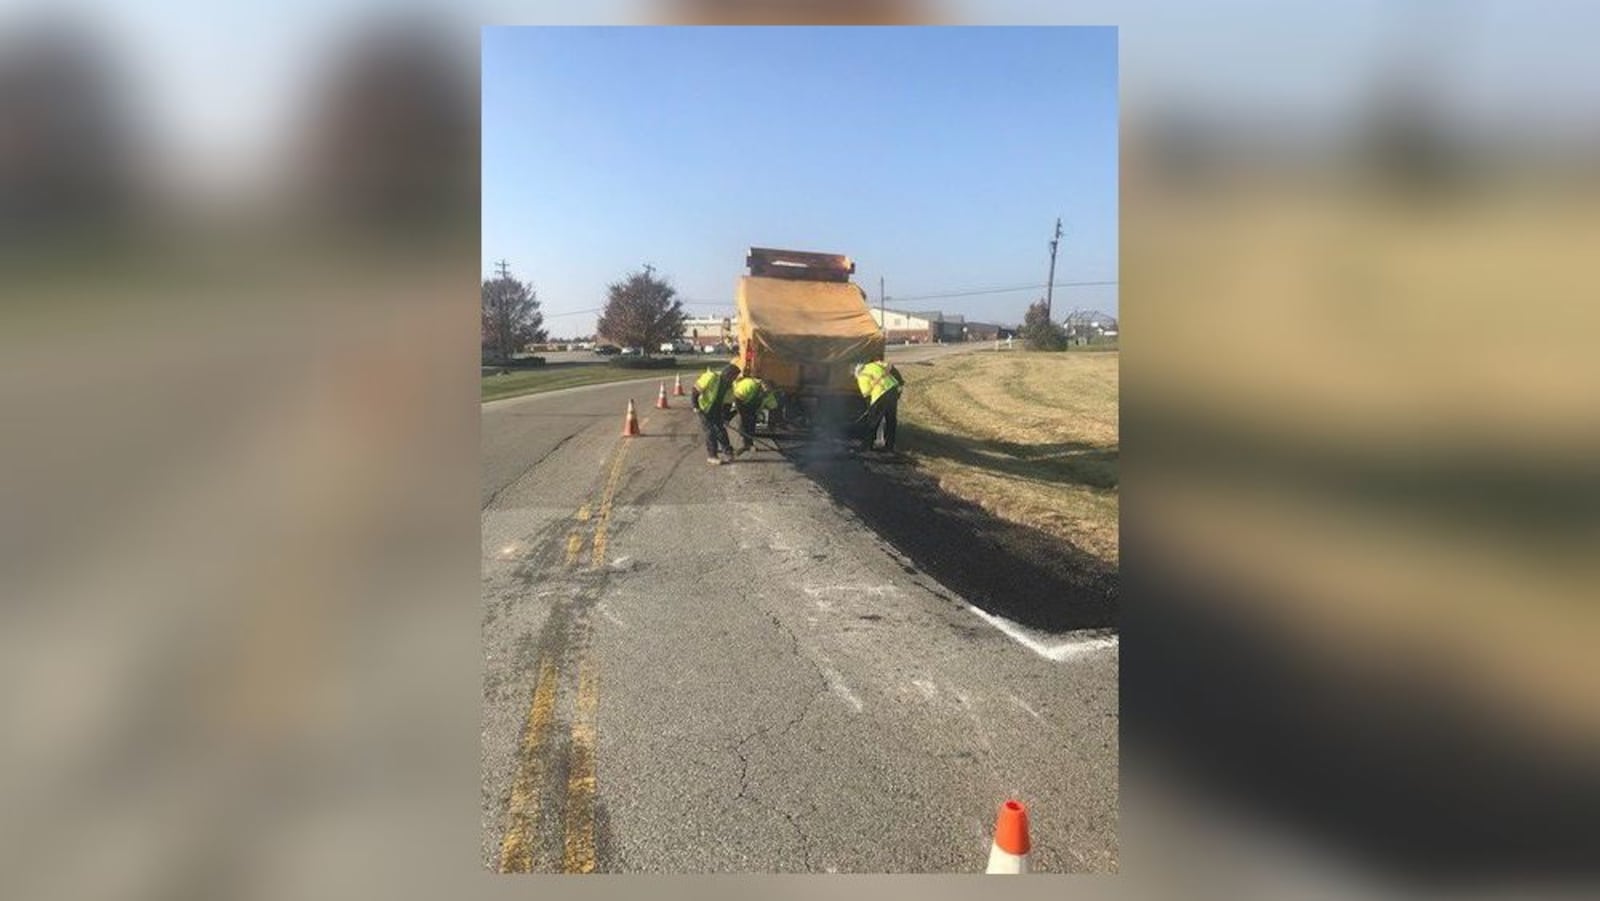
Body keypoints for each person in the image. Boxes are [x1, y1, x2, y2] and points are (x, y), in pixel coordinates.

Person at [691, 361, 740, 465]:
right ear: (727, 374)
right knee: (710, 432)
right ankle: (712, 455)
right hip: (703, 409)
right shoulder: (711, 377)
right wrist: (696, 406)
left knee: (721, 430)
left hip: (716, 410)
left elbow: (727, 405)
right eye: (733, 377)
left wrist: (725, 418)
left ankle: (728, 451)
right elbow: (695, 390)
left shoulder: (729, 387)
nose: (734, 379)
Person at [852, 358, 905, 453]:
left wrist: (870, 409)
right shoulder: (875, 364)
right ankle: (889, 447)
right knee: (891, 420)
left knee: (873, 421)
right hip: (893, 390)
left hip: (881, 394)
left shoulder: (861, 376)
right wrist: (900, 381)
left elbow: (867, 395)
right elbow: (891, 367)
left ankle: (867, 446)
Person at [729, 374, 779, 456]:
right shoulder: (750, 384)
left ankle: (749, 444)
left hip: (752, 408)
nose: (767, 392)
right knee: (743, 424)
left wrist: (774, 420)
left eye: (769, 391)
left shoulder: (769, 394)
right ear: (763, 384)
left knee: (751, 425)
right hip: (740, 400)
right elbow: (737, 398)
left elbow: (774, 407)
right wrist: (742, 413)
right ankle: (743, 444)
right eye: (766, 390)